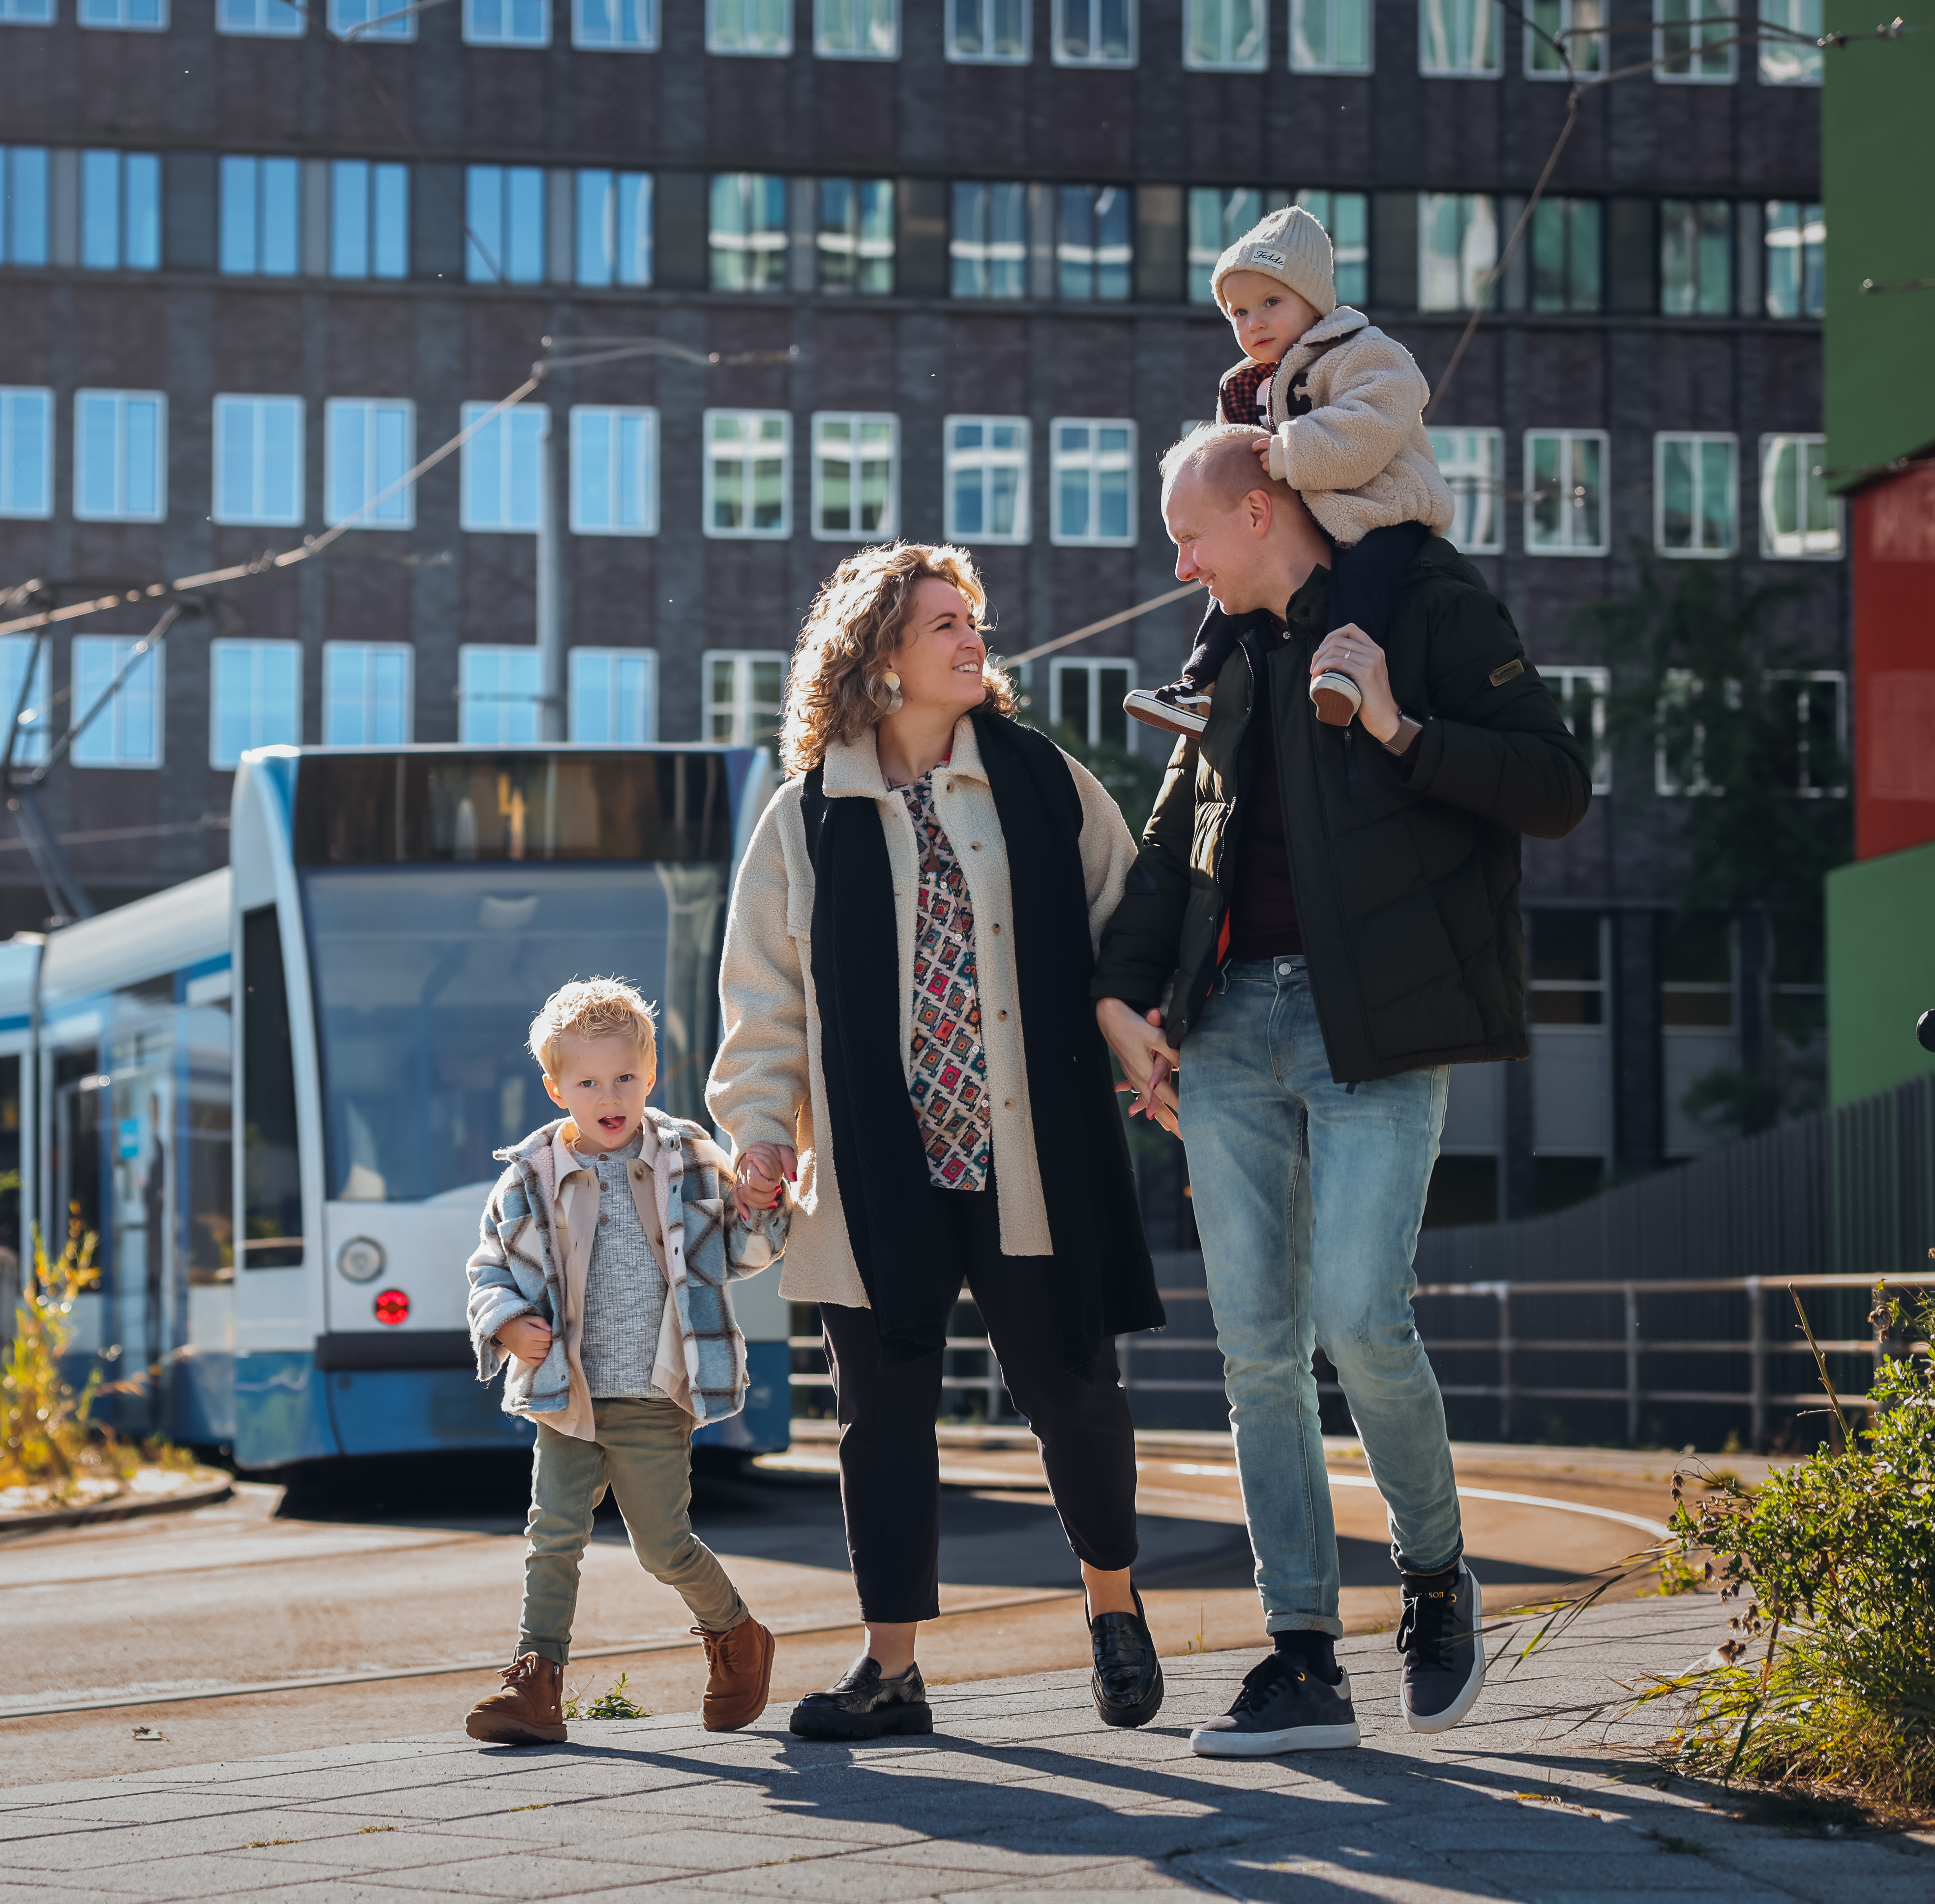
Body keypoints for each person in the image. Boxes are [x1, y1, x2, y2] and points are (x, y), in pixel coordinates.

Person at [1092, 426, 1592, 1758]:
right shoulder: (1233, 654)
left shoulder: (1422, 606)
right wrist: (1118, 1001)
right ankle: (1302, 1654)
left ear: (1262, 512)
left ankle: (1435, 1579)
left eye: (1191, 538)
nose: (1182, 564)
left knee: (1363, 1315)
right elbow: (1174, 840)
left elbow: (1555, 785)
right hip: (1232, 1029)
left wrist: (1397, 725)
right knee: (1257, 1349)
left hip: (1378, 1024)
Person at [710, 542, 1169, 1743]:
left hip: (1032, 1152)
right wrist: (760, 1136)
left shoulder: (1040, 778)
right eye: (939, 625)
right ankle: (890, 1668)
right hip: (876, 1169)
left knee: (1070, 1389)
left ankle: (1113, 1613)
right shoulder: (805, 815)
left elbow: (1128, 923)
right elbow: (764, 1001)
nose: (971, 640)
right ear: (874, 658)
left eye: (972, 621)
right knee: (881, 1413)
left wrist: (1145, 1042)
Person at [462, 977, 790, 1747]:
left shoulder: (690, 1161)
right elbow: (488, 1271)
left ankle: (738, 1636)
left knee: (662, 1546)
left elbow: (743, 1255)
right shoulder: (529, 1176)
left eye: (624, 1078)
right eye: (588, 1081)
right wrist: (509, 1326)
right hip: (565, 1393)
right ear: (556, 1088)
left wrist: (760, 1201)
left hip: (654, 1392)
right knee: (553, 1538)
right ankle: (535, 1683)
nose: (609, 1095)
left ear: (651, 1077)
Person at [1125, 204, 1458, 742]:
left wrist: (1291, 450)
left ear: (1316, 302)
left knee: (1365, 573)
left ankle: (1344, 672)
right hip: (1305, 524)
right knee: (1230, 585)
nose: (1253, 321)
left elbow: (1370, 426)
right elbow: (1227, 463)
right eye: (1237, 312)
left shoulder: (1365, 353)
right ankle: (1199, 684)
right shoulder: (1244, 384)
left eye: (1271, 303)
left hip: (1381, 509)